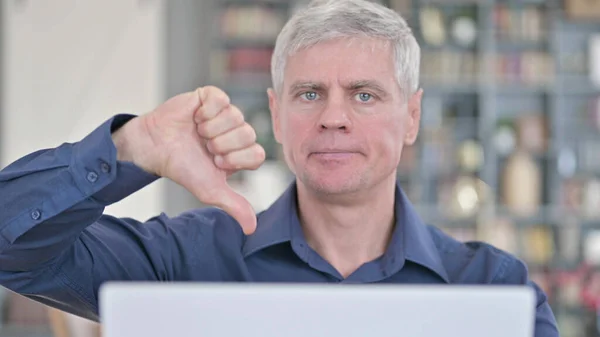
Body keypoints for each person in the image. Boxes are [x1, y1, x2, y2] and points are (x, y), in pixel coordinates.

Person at [0, 0, 557, 335]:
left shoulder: (493, 291)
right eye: (310, 93)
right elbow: (9, 246)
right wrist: (131, 146)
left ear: (411, 116)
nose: (333, 117)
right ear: (276, 111)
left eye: (364, 95)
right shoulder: (185, 260)